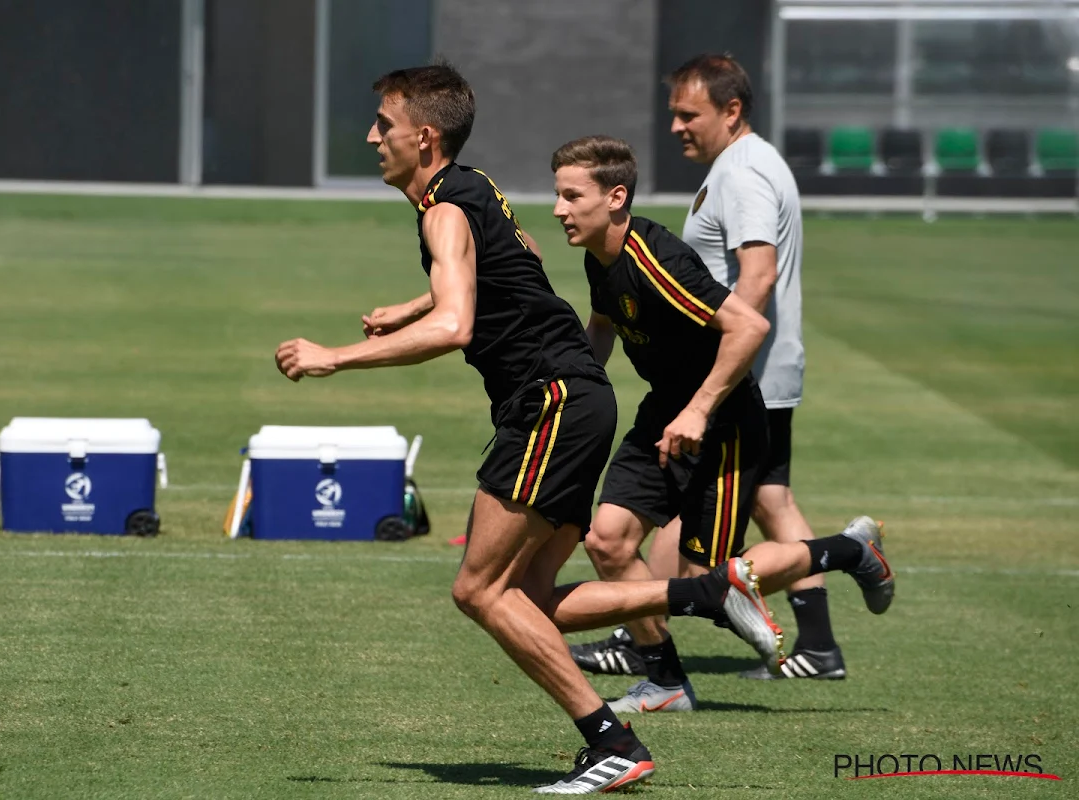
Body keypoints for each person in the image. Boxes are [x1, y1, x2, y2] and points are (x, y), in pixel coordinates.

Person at [275, 62, 776, 795]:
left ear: (423, 136)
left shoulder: (444, 209)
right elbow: (523, 261)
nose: (371, 136)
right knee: (530, 602)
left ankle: (611, 739)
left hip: (547, 403)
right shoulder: (475, 189)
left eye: (383, 125)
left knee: (478, 591)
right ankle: (704, 594)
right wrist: (412, 305)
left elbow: (458, 324)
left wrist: (335, 359)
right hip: (580, 397)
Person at [551, 135, 894, 714]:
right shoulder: (599, 258)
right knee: (607, 540)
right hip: (665, 411)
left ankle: (852, 550)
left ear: (614, 197)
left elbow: (749, 329)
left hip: (725, 420)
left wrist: (700, 408)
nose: (559, 209)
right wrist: (574, 390)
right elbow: (604, 323)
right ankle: (665, 683)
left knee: (707, 578)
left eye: (570, 195)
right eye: (558, 195)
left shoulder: (658, 259)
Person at [573, 54, 852, 684]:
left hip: (734, 380)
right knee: (763, 501)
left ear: (731, 111)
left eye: (687, 114)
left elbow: (755, 281)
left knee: (718, 536)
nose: (675, 126)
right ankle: (814, 641)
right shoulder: (739, 167)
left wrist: (710, 386)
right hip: (721, 379)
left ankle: (846, 562)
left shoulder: (744, 173)